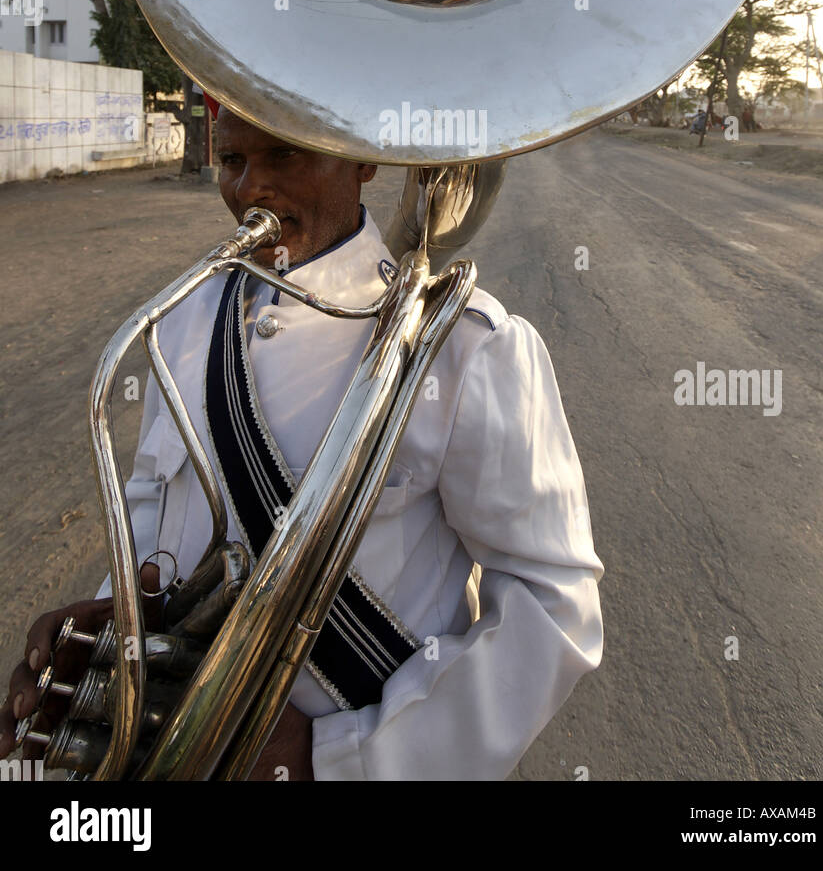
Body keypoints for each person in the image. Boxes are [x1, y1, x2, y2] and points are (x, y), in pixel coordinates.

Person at [0, 106, 603, 781]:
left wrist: (337, 759)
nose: (250, 187)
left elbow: (554, 607)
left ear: (364, 160)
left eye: (284, 154)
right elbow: (150, 512)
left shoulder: (467, 346)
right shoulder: (185, 320)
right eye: (232, 162)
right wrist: (109, 636)